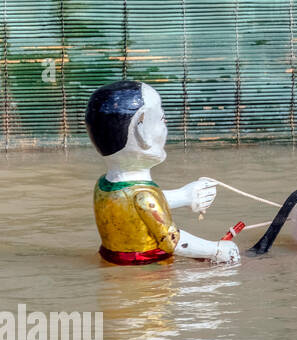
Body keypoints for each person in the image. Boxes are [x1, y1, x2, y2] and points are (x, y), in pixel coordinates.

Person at [85, 80, 240, 265]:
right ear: (141, 131)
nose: (166, 128)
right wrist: (216, 250)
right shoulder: (144, 196)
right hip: (150, 276)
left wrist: (184, 196)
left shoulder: (103, 185)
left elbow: (136, 207)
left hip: (113, 263)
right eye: (162, 120)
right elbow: (171, 241)